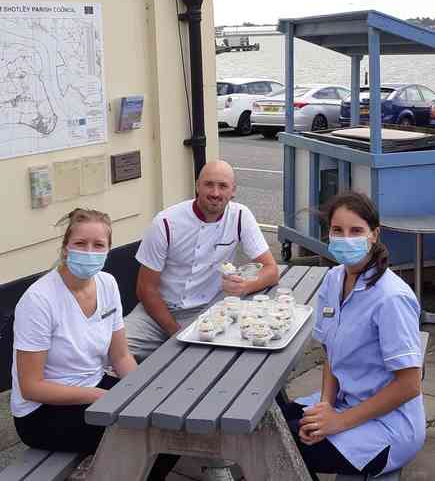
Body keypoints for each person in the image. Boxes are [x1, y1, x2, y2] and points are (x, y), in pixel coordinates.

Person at [11, 208, 177, 480]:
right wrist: (101, 398)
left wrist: (140, 391)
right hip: (42, 413)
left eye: (98, 245)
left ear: (109, 249)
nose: (89, 251)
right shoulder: (39, 300)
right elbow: (31, 387)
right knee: (142, 437)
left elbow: (121, 356)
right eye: (80, 243)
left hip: (93, 387)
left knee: (168, 423)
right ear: (65, 248)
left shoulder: (107, 284)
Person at [277, 191, 426, 480]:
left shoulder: (391, 297)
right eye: (337, 230)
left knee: (281, 442)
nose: (346, 238)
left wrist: (338, 422)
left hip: (389, 425)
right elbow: (331, 355)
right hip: (347, 402)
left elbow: (409, 385)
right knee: (276, 420)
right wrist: (325, 407)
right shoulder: (334, 280)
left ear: (374, 235)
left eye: (356, 230)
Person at [125, 159, 279, 362]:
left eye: (223, 186)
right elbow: (146, 289)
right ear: (197, 186)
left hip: (209, 311)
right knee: (111, 350)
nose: (215, 193)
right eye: (209, 184)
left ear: (233, 191)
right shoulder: (166, 222)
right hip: (156, 312)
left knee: (228, 359)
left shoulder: (240, 216)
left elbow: (271, 270)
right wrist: (176, 333)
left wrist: (246, 286)